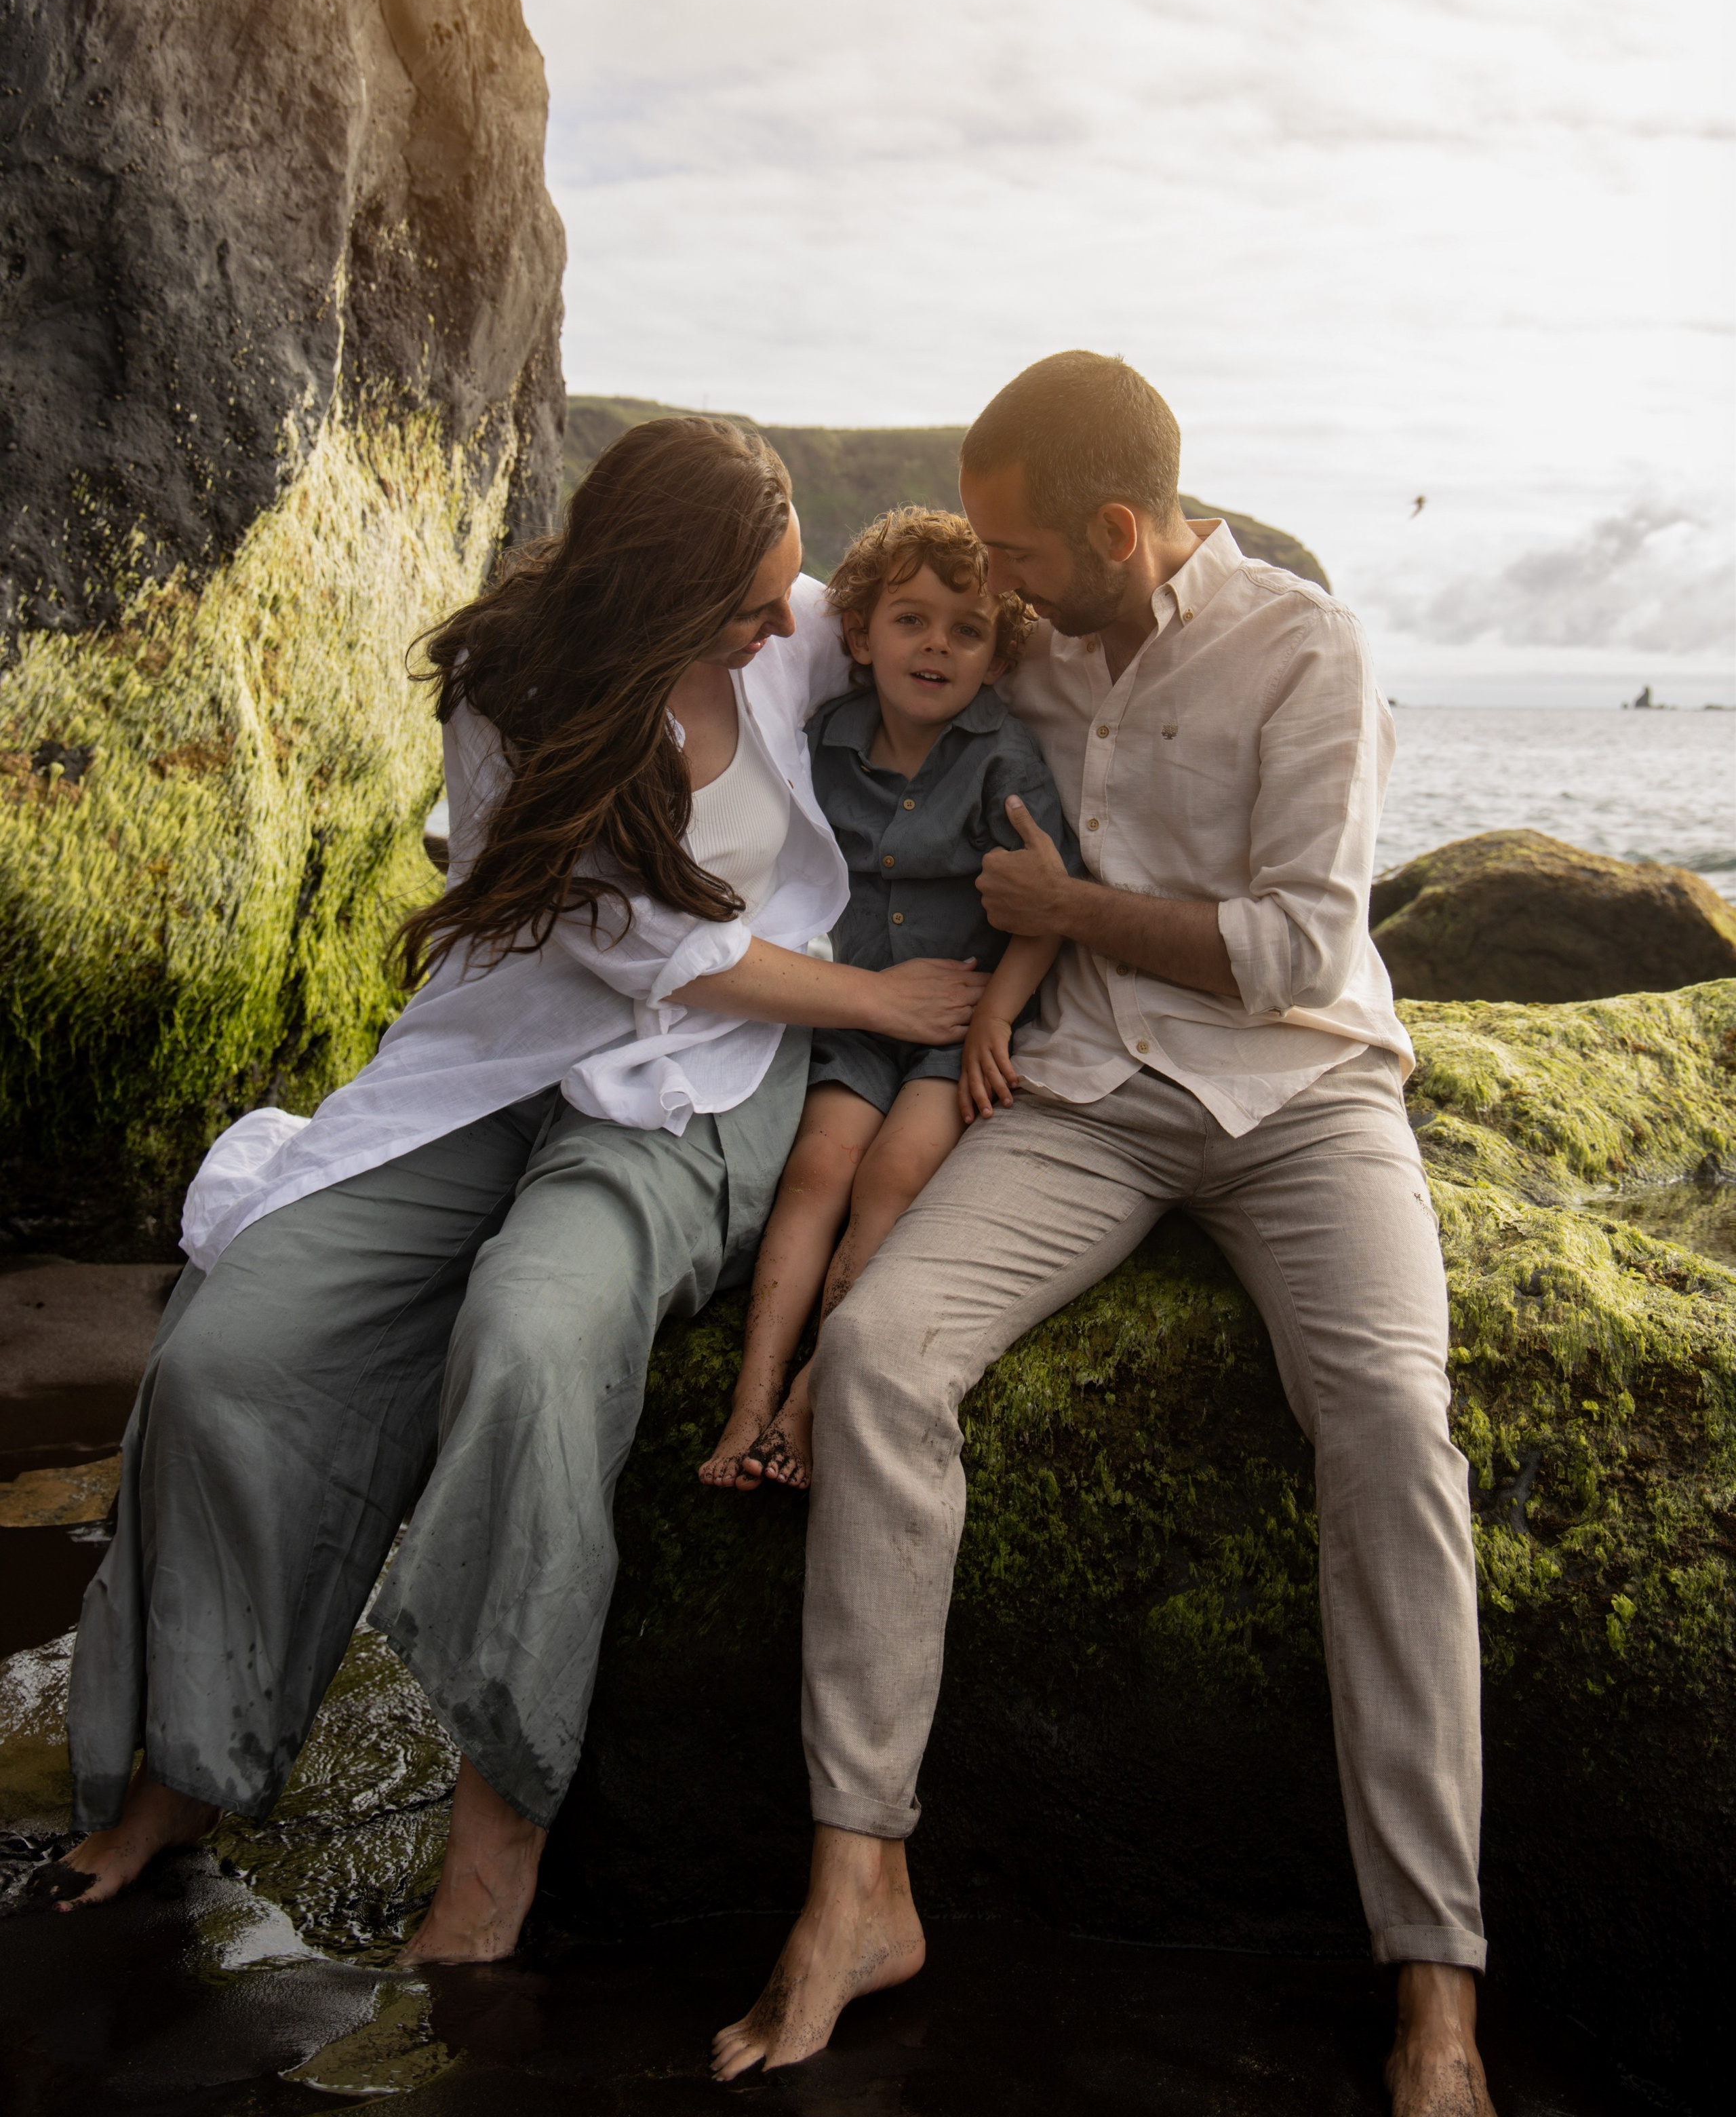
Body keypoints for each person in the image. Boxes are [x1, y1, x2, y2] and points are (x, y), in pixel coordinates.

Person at [42, 416, 983, 1964]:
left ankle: (498, 1836)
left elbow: (964, 663)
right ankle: (195, 1764)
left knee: (532, 1344)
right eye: (746, 601)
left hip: (708, 1080)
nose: (777, 622)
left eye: (783, 593)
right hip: (506, 1052)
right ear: (651, 590)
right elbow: (633, 946)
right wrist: (881, 1004)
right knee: (228, 1354)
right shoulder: (511, 692)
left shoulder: (792, 632)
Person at [715, 355, 1494, 2117]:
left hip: (1305, 1104)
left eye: (1024, 557)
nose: (999, 594)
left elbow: (1301, 953)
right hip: (1079, 1098)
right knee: (886, 1361)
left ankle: (1437, 1986)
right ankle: (861, 1890)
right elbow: (813, 613)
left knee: (1391, 1427)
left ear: (1121, 532)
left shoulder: (1312, 652)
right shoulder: (1028, 640)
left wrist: (1066, 912)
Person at [698, 507, 1080, 1492]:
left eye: (968, 630)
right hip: (859, 1003)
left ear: (999, 658)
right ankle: (750, 1402)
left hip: (959, 1021)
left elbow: (1048, 906)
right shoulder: (823, 741)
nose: (937, 646)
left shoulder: (1005, 759)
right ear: (860, 636)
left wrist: (998, 1011)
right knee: (818, 1168)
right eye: (911, 621)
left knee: (895, 1173)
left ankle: (811, 1404)